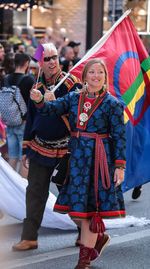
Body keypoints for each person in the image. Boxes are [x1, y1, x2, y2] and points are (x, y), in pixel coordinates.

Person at [30, 58, 126, 268]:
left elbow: (120, 137)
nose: (96, 76)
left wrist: (119, 167)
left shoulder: (113, 104)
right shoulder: (73, 98)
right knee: (76, 210)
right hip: (77, 159)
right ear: (85, 77)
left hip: (100, 159)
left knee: (91, 211)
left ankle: (83, 261)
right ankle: (98, 239)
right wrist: (38, 100)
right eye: (92, 72)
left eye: (100, 72)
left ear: (105, 76)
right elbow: (49, 109)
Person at [12, 43, 82, 251]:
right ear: (40, 63)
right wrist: (26, 147)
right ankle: (29, 237)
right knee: (35, 191)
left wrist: (56, 100)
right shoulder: (36, 86)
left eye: (54, 58)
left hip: (67, 148)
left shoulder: (71, 84)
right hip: (40, 146)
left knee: (71, 192)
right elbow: (31, 118)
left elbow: (80, 112)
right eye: (47, 59)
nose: (51, 62)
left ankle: (84, 234)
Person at [1, 53, 35, 177]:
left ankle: (11, 189)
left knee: (12, 156)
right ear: (26, 63)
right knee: (24, 158)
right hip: (24, 123)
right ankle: (22, 190)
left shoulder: (6, 79)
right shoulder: (29, 79)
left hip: (9, 122)